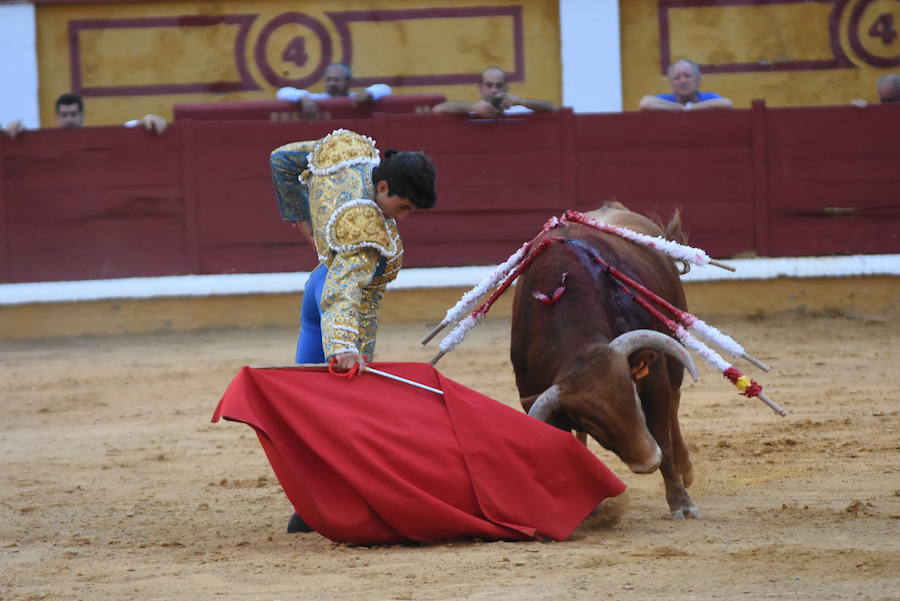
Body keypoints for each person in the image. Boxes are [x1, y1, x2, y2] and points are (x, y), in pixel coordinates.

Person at [3, 92, 167, 137]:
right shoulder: (45, 142)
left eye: (73, 114)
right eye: (64, 115)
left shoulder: (101, 138)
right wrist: (15, 127)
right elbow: (18, 132)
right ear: (57, 117)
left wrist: (150, 119)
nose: (69, 120)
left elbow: (135, 125)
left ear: (82, 116)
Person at [275, 63, 392, 119]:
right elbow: (282, 92)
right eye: (329, 80)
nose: (332, 83)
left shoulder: (357, 98)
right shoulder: (316, 99)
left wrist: (369, 93)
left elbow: (386, 89)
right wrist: (303, 97)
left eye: (337, 80)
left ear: (348, 81)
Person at [433, 66, 557, 118]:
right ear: (480, 89)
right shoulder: (470, 111)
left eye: (499, 86)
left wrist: (521, 101)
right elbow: (438, 109)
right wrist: (473, 107)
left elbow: (553, 108)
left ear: (506, 89)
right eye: (489, 85)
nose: (493, 90)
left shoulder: (518, 111)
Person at [639, 59, 734, 111]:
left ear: (698, 80)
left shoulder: (708, 97)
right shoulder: (665, 99)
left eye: (687, 76)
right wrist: (681, 108)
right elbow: (645, 103)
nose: (682, 81)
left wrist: (690, 108)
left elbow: (727, 104)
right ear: (672, 83)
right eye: (676, 77)